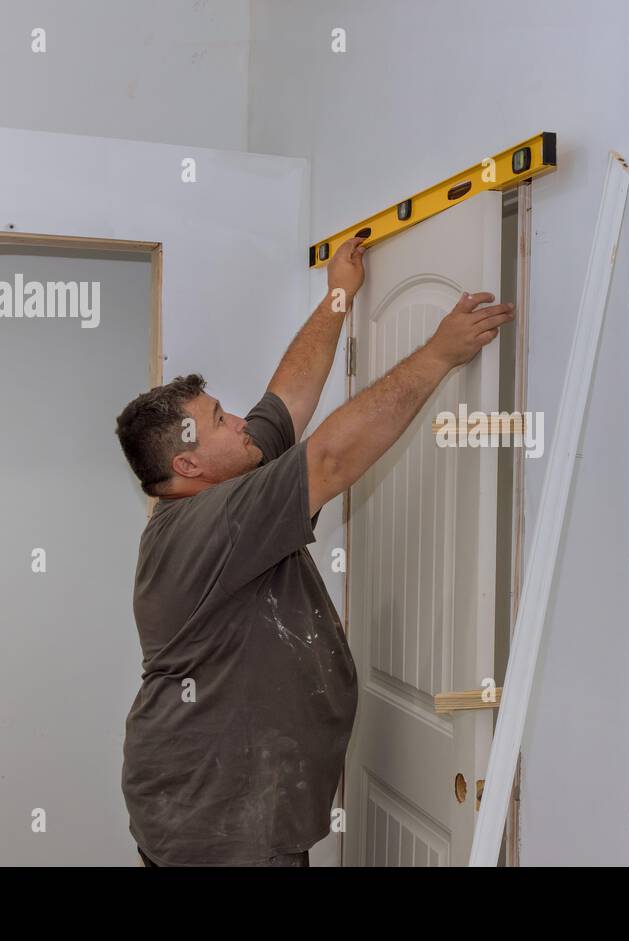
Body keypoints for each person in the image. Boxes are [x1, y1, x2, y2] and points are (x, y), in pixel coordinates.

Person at [113, 237, 513, 865]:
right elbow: (328, 456)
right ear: (187, 463)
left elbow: (287, 405)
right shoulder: (203, 527)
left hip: (244, 810)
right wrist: (437, 355)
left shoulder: (229, 479)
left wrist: (339, 294)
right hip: (214, 825)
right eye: (221, 420)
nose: (240, 421)